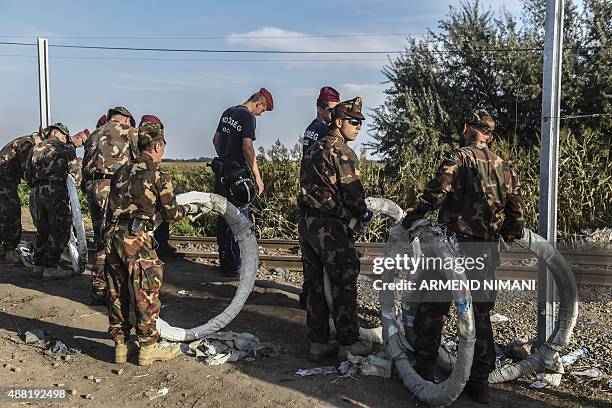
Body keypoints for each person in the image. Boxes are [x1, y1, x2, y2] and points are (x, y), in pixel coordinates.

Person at [401, 108, 525, 404]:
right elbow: (517, 211)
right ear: (490, 135)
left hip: (451, 248)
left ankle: (425, 369)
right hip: (484, 251)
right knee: (480, 314)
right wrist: (507, 233)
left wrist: (417, 213)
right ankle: (479, 382)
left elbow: (439, 189)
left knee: (432, 307)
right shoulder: (504, 167)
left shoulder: (459, 157)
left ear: (468, 128)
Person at [103, 121, 201, 365]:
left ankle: (121, 346)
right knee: (145, 292)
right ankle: (148, 347)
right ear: (157, 145)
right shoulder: (158, 174)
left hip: (112, 237)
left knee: (117, 292)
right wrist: (191, 209)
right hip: (136, 239)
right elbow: (171, 213)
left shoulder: (121, 171)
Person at [298, 97, 374, 361]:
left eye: (360, 123)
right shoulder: (342, 151)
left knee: (315, 285)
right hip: (331, 228)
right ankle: (348, 343)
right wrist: (363, 214)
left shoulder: (313, 149)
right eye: (354, 122)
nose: (358, 127)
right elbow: (353, 194)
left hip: (308, 225)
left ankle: (317, 343)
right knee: (344, 283)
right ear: (338, 122)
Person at [211, 88, 272, 276]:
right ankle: (237, 266)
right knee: (240, 221)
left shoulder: (228, 112)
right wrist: (257, 176)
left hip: (222, 173)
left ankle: (227, 264)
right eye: (263, 110)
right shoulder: (247, 116)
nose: (261, 114)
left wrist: (225, 158)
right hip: (237, 177)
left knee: (224, 217)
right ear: (259, 103)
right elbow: (248, 147)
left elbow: (216, 140)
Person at [82, 107, 138, 305]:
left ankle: (101, 285)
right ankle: (100, 289)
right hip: (112, 188)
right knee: (110, 240)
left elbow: (85, 165)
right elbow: (140, 161)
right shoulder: (129, 131)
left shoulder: (95, 133)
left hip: (93, 187)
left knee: (100, 237)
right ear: (127, 118)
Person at [298, 86, 341, 308]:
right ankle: (315, 301)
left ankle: (307, 298)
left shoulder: (311, 129)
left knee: (310, 258)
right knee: (321, 258)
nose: (335, 116)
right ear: (319, 109)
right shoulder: (324, 133)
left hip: (308, 199)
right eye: (331, 111)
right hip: (321, 201)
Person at [25, 123, 83, 280]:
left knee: (43, 229)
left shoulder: (34, 149)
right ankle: (51, 267)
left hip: (38, 192)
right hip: (56, 192)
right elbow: (76, 176)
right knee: (60, 229)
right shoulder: (65, 148)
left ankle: (38, 265)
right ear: (63, 136)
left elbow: (27, 176)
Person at [0, 129, 45, 264]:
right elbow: (27, 169)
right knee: (11, 214)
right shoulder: (27, 145)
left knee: (3, 213)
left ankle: (4, 247)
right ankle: (10, 251)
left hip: (5, 181)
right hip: (4, 181)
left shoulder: (24, 140)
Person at [139, 115, 178, 256]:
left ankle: (160, 242)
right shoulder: (160, 177)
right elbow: (173, 213)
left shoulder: (121, 172)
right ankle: (157, 244)